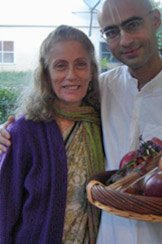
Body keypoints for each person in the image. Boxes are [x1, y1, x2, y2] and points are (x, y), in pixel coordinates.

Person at [1, 0, 162, 244]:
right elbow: (52, 109)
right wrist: (7, 133)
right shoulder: (102, 89)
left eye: (133, 24)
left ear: (155, 20)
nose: (124, 40)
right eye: (112, 32)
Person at [0, 25, 104, 244]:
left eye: (81, 64)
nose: (71, 75)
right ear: (46, 74)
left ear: (92, 71)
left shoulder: (104, 123)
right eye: (60, 66)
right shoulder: (23, 132)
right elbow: (4, 209)